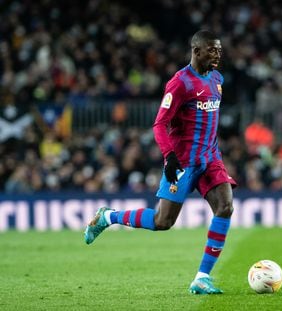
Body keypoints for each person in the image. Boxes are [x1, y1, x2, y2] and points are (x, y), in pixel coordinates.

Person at [84, 30, 237, 294]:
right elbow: (159, 124)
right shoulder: (180, 83)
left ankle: (202, 277)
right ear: (196, 50)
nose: (218, 55)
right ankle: (108, 217)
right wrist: (170, 156)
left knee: (225, 206)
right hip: (183, 162)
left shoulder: (217, 79)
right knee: (162, 221)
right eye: (213, 50)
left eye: (220, 50)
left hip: (210, 158)